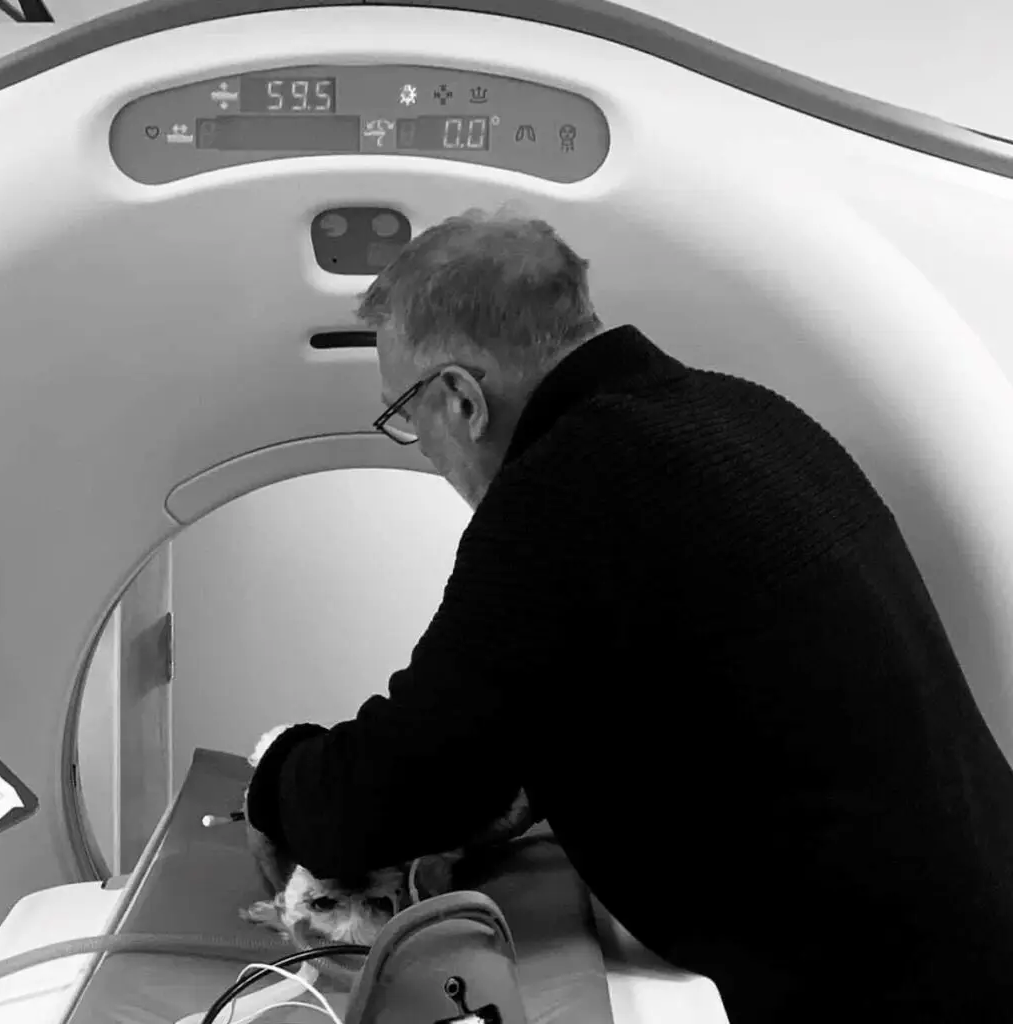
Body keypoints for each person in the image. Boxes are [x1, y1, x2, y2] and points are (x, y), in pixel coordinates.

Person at [245, 205, 1013, 1022]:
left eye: (405, 415)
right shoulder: (744, 413)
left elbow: (397, 789)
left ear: (462, 399)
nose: (421, 446)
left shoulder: (563, 494)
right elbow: (684, 698)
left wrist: (274, 775)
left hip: (885, 995)